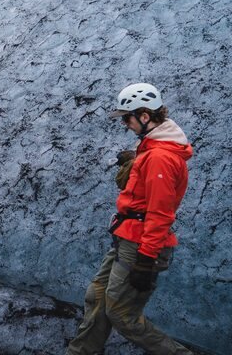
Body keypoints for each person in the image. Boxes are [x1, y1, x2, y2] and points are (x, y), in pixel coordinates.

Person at [67, 83, 194, 355]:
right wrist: (137, 158)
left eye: (128, 117)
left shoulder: (159, 157)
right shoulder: (152, 150)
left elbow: (160, 212)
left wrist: (146, 259)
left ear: (145, 116)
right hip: (128, 237)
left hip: (142, 245)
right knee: (97, 296)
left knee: (122, 315)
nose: (125, 123)